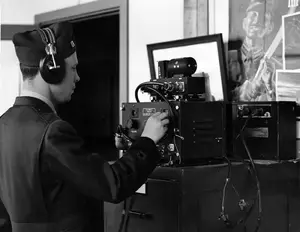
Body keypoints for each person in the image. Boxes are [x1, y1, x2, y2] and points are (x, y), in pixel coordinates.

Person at [0, 22, 169, 232]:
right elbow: (112, 186)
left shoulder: (4, 124)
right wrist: (148, 141)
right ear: (52, 70)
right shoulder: (53, 131)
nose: (78, 77)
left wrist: (122, 157)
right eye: (72, 68)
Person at [233, 0, 282, 101]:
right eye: (253, 15)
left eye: (264, 17)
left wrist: (269, 88)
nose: (257, 20)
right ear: (244, 23)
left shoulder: (276, 67)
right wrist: (239, 93)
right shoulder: (227, 60)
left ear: (270, 27)